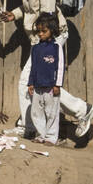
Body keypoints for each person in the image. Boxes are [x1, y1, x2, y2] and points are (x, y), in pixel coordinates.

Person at [0, 0, 93, 142]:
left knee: (30, 82)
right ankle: (75, 112)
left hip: (51, 37)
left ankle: (31, 126)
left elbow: (48, 12)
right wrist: (14, 14)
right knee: (39, 82)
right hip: (40, 38)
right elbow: (30, 7)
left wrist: (45, 44)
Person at [27, 13, 65, 146]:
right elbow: (33, 66)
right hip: (37, 86)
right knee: (36, 112)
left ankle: (50, 137)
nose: (40, 34)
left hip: (51, 86)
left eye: (44, 31)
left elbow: (60, 67)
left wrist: (57, 84)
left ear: (52, 30)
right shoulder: (35, 48)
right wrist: (31, 82)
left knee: (51, 112)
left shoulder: (56, 47)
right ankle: (40, 135)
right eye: (39, 31)